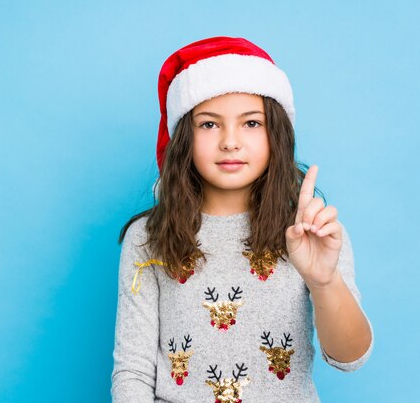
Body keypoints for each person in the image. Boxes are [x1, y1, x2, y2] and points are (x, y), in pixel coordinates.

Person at [110, 36, 374, 403]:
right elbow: (134, 373)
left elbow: (350, 358)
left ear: (275, 134)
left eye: (251, 123)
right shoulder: (148, 237)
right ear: (183, 136)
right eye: (209, 124)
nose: (230, 142)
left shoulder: (313, 232)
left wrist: (324, 279)